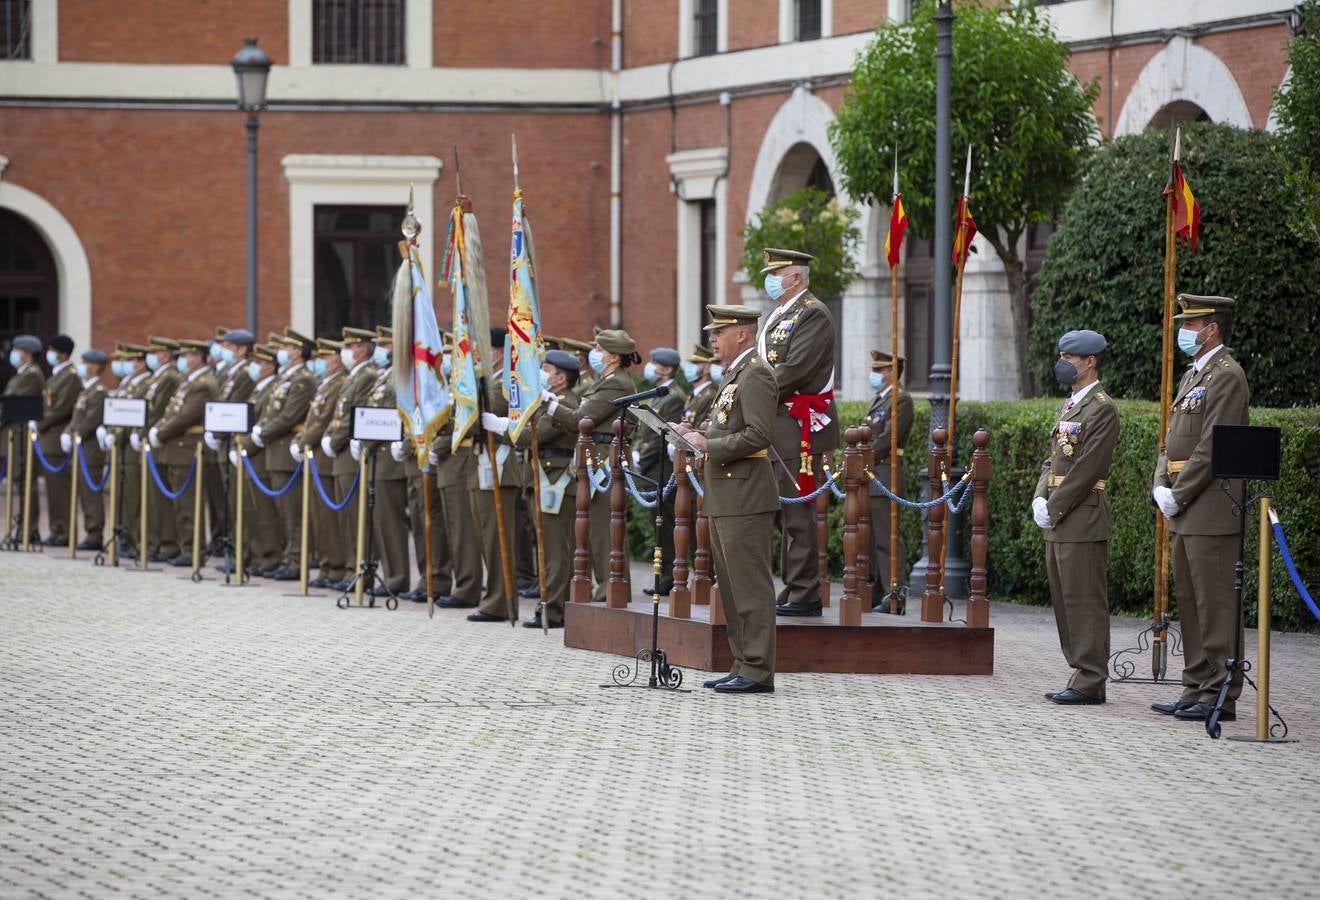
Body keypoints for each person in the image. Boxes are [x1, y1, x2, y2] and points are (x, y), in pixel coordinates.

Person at [1151, 295, 1249, 723]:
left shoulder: (1227, 376)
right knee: (1190, 601)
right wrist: (1160, 483)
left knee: (1215, 603)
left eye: (1192, 324)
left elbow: (1213, 445)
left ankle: (1220, 693)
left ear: (1213, 328)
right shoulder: (1196, 373)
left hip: (1210, 504)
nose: (1184, 331)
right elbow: (1171, 439)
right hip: (1186, 505)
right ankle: (1195, 684)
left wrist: (1181, 491)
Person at [676, 305, 778, 695]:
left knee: (750, 587)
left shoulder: (756, 374)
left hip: (746, 493)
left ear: (743, 334)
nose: (713, 339)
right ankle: (743, 663)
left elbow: (759, 435)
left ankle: (757, 670)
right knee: (732, 590)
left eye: (720, 331)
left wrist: (709, 443)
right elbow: (727, 426)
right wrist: (694, 431)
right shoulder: (735, 375)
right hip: (726, 492)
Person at [1031, 330, 1119, 706]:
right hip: (1060, 515)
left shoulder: (1102, 408)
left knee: (1085, 601)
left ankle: (1090, 679)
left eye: (1070, 358)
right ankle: (1080, 673)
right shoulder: (1070, 405)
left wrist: (1054, 506)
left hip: (1081, 516)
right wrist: (1038, 495)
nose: (1062, 363)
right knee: (1066, 601)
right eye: (1061, 356)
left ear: (1090, 362)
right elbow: (1055, 460)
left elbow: (1088, 468)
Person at [757, 248, 840, 618]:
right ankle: (792, 586)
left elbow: (794, 370)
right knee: (782, 511)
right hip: (777, 423)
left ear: (796, 278)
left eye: (777, 273)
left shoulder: (813, 314)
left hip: (798, 425)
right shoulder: (779, 315)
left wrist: (751, 391)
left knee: (797, 511)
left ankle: (806, 592)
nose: (770, 279)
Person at [543, 328, 637, 602]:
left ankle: (612, 589)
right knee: (597, 529)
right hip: (595, 457)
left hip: (605, 459)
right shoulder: (606, 380)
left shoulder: (616, 382)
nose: (593, 354)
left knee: (605, 530)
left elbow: (582, 418)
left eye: (598, 349)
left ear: (612, 357)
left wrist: (550, 406)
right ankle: (606, 587)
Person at [468, 327, 531, 623]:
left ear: (496, 352)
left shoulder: (507, 382)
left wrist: (499, 425)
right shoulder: (487, 381)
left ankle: (501, 602)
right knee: (486, 538)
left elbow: (522, 427)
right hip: (482, 466)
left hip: (501, 468)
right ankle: (494, 598)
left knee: (498, 538)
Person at [525, 348, 584, 629]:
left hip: (556, 482)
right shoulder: (552, 401)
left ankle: (554, 609)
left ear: (560, 378)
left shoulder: (564, 403)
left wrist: (504, 428)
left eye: (546, 370)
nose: (541, 373)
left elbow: (534, 435)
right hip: (546, 477)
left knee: (556, 552)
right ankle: (551, 605)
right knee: (550, 549)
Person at [150, 338, 219, 566]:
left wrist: (160, 433)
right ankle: (185, 547)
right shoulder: (188, 381)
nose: (183, 360)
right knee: (180, 503)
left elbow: (186, 416)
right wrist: (160, 428)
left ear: (198, 357)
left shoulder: (203, 383)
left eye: (187, 355)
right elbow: (172, 412)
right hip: (177, 448)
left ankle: (193, 550)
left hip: (188, 449)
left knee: (188, 504)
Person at [256, 329, 317, 580]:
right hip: (275, 450)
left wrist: (260, 434)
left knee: (293, 514)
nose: (283, 351)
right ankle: (287, 558)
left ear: (298, 351)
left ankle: (295, 561)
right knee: (283, 511)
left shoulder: (303, 379)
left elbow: (288, 416)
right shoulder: (285, 379)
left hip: (285, 450)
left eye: (288, 347)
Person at [324, 327, 379, 587]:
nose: (345, 352)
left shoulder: (366, 375)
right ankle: (350, 569)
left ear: (363, 349)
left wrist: (333, 440)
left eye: (350, 346)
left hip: (348, 452)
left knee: (356, 518)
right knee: (346, 517)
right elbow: (337, 414)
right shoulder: (352, 377)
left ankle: (360, 572)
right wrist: (328, 436)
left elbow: (354, 414)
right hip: (340, 453)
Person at [356, 327, 410, 596]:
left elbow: (388, 416)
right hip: (378, 457)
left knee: (390, 522)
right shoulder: (383, 377)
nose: (380, 350)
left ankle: (397, 578)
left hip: (390, 459)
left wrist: (363, 441)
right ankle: (388, 574)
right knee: (379, 522)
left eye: (385, 345)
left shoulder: (400, 378)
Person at [864, 349, 914, 607]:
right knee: (872, 540)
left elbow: (887, 439)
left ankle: (895, 593)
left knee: (887, 538)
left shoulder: (901, 400)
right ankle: (880, 590)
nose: (874, 374)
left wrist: (862, 457)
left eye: (879, 370)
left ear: (892, 372)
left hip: (885, 475)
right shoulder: (879, 400)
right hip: (871, 477)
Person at [636, 347, 687, 597]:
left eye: (655, 363)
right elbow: (645, 431)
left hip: (661, 468)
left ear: (667, 369)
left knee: (665, 524)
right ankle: (662, 573)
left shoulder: (673, 396)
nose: (650, 366)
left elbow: (661, 436)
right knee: (658, 523)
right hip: (651, 466)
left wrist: (641, 457)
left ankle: (669, 576)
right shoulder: (659, 395)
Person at [301, 338, 349, 589]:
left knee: (330, 517)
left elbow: (323, 423)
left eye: (325, 357)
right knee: (320, 517)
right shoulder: (325, 384)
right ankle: (327, 566)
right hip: (317, 454)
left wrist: (300, 442)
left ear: (337, 359)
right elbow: (313, 420)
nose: (320, 362)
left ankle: (337, 567)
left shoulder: (340, 383)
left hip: (327, 454)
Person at [203, 328, 255, 555]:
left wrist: (218, 433)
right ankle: (228, 542)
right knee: (224, 500)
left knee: (236, 500)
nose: (223, 350)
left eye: (229, 347)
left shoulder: (243, 373)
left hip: (232, 440)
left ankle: (238, 546)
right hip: (223, 442)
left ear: (242, 350)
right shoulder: (228, 372)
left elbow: (235, 405)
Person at [236, 343, 284, 577]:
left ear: (269, 366)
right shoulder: (259, 388)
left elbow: (267, 423)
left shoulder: (273, 387)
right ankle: (257, 556)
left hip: (261, 453)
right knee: (252, 510)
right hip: (252, 453)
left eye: (259, 363)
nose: (255, 367)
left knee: (266, 513)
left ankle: (271, 556)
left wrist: (245, 446)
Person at [136, 336, 182, 562]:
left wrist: (145, 432)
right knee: (152, 498)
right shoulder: (159, 377)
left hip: (160, 440)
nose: (151, 357)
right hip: (152, 439)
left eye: (155, 352)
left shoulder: (169, 377)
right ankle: (154, 542)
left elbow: (158, 412)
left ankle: (166, 543)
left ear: (165, 354)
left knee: (160, 498)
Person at [104, 342, 151, 559]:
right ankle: (122, 535)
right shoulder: (128, 384)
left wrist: (120, 433)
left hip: (133, 448)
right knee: (121, 496)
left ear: (142, 363)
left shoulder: (144, 384)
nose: (125, 365)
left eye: (130, 360)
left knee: (134, 498)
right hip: (120, 447)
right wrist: (108, 431)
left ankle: (135, 538)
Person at [64, 348, 109, 550]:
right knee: (83, 492)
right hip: (80, 448)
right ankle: (90, 531)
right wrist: (68, 431)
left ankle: (95, 533)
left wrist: (75, 434)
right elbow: (76, 417)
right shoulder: (86, 390)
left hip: (90, 451)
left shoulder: (99, 392)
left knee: (91, 493)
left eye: (87, 363)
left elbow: (91, 419)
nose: (83, 367)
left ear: (96, 367)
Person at [37, 334, 79, 546]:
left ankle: (63, 531)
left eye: (53, 350)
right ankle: (56, 529)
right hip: (48, 438)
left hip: (56, 437)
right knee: (53, 491)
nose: (50, 354)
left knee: (59, 490)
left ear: (63, 354)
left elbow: (61, 408)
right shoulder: (56, 375)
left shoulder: (70, 376)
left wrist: (40, 423)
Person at [3, 334, 45, 545]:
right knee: (19, 482)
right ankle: (24, 527)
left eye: (17, 351)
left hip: (21, 436)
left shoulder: (31, 375)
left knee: (25, 482)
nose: (14, 355)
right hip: (13, 436)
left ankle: (29, 527)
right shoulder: (19, 375)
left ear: (27, 354)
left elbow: (14, 404)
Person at [681, 344, 719, 429]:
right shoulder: (695, 394)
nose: (689, 367)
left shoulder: (709, 396)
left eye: (695, 363)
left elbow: (701, 429)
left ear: (707, 368)